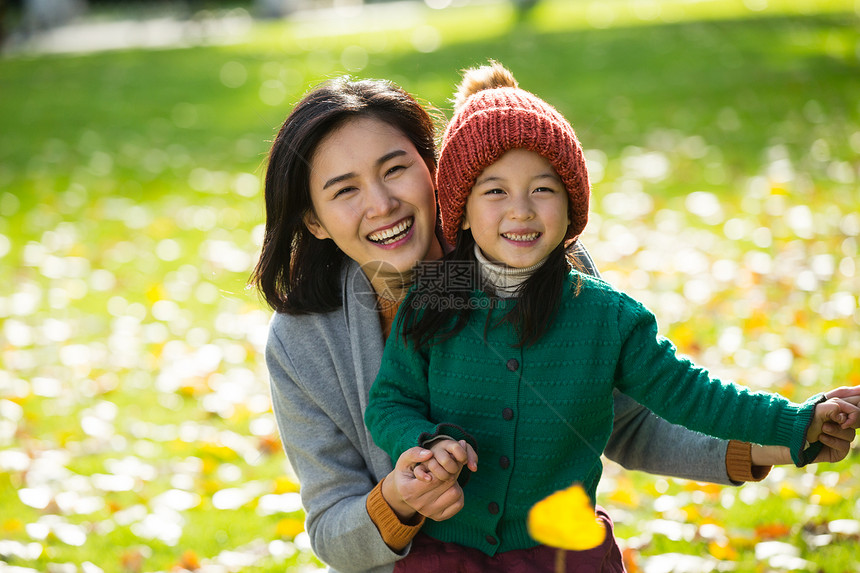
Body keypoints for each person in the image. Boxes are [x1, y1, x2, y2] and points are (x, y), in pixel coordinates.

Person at [253, 74, 858, 573]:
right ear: (314, 220)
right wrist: (396, 502)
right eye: (344, 191)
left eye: (394, 169)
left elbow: (632, 420)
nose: (381, 205)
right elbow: (334, 526)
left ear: (435, 168)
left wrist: (785, 434)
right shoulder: (304, 341)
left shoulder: (545, 263)